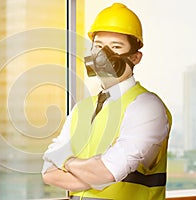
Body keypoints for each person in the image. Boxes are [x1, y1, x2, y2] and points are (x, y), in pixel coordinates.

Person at [41, 3, 172, 200]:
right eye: (99, 46)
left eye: (116, 47)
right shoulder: (81, 109)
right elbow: (48, 173)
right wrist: (94, 176)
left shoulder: (147, 107)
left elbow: (107, 173)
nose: (104, 55)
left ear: (136, 57)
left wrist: (65, 160)